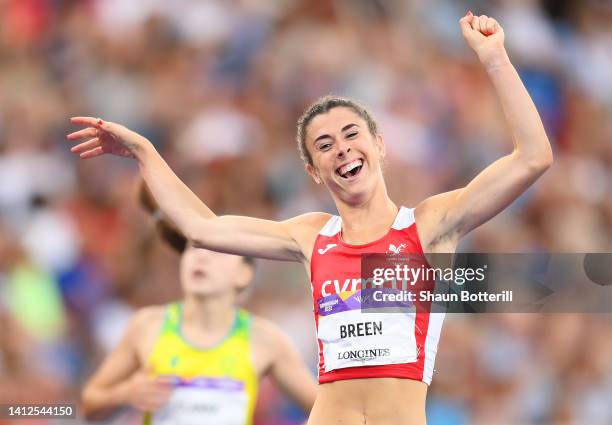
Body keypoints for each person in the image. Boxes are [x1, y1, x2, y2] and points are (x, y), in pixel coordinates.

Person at [69, 12, 553, 425]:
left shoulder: (430, 224)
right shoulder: (310, 236)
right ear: (314, 171)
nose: (341, 149)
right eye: (325, 146)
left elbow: (533, 156)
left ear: (379, 145)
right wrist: (145, 152)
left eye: (350, 135)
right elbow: (202, 227)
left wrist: (495, 60)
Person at [80, 184, 317, 424]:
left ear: (244, 274)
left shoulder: (265, 340)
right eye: (192, 249)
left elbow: (330, 411)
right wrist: (125, 393)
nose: (200, 257)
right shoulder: (148, 326)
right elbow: (88, 405)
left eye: (216, 251)